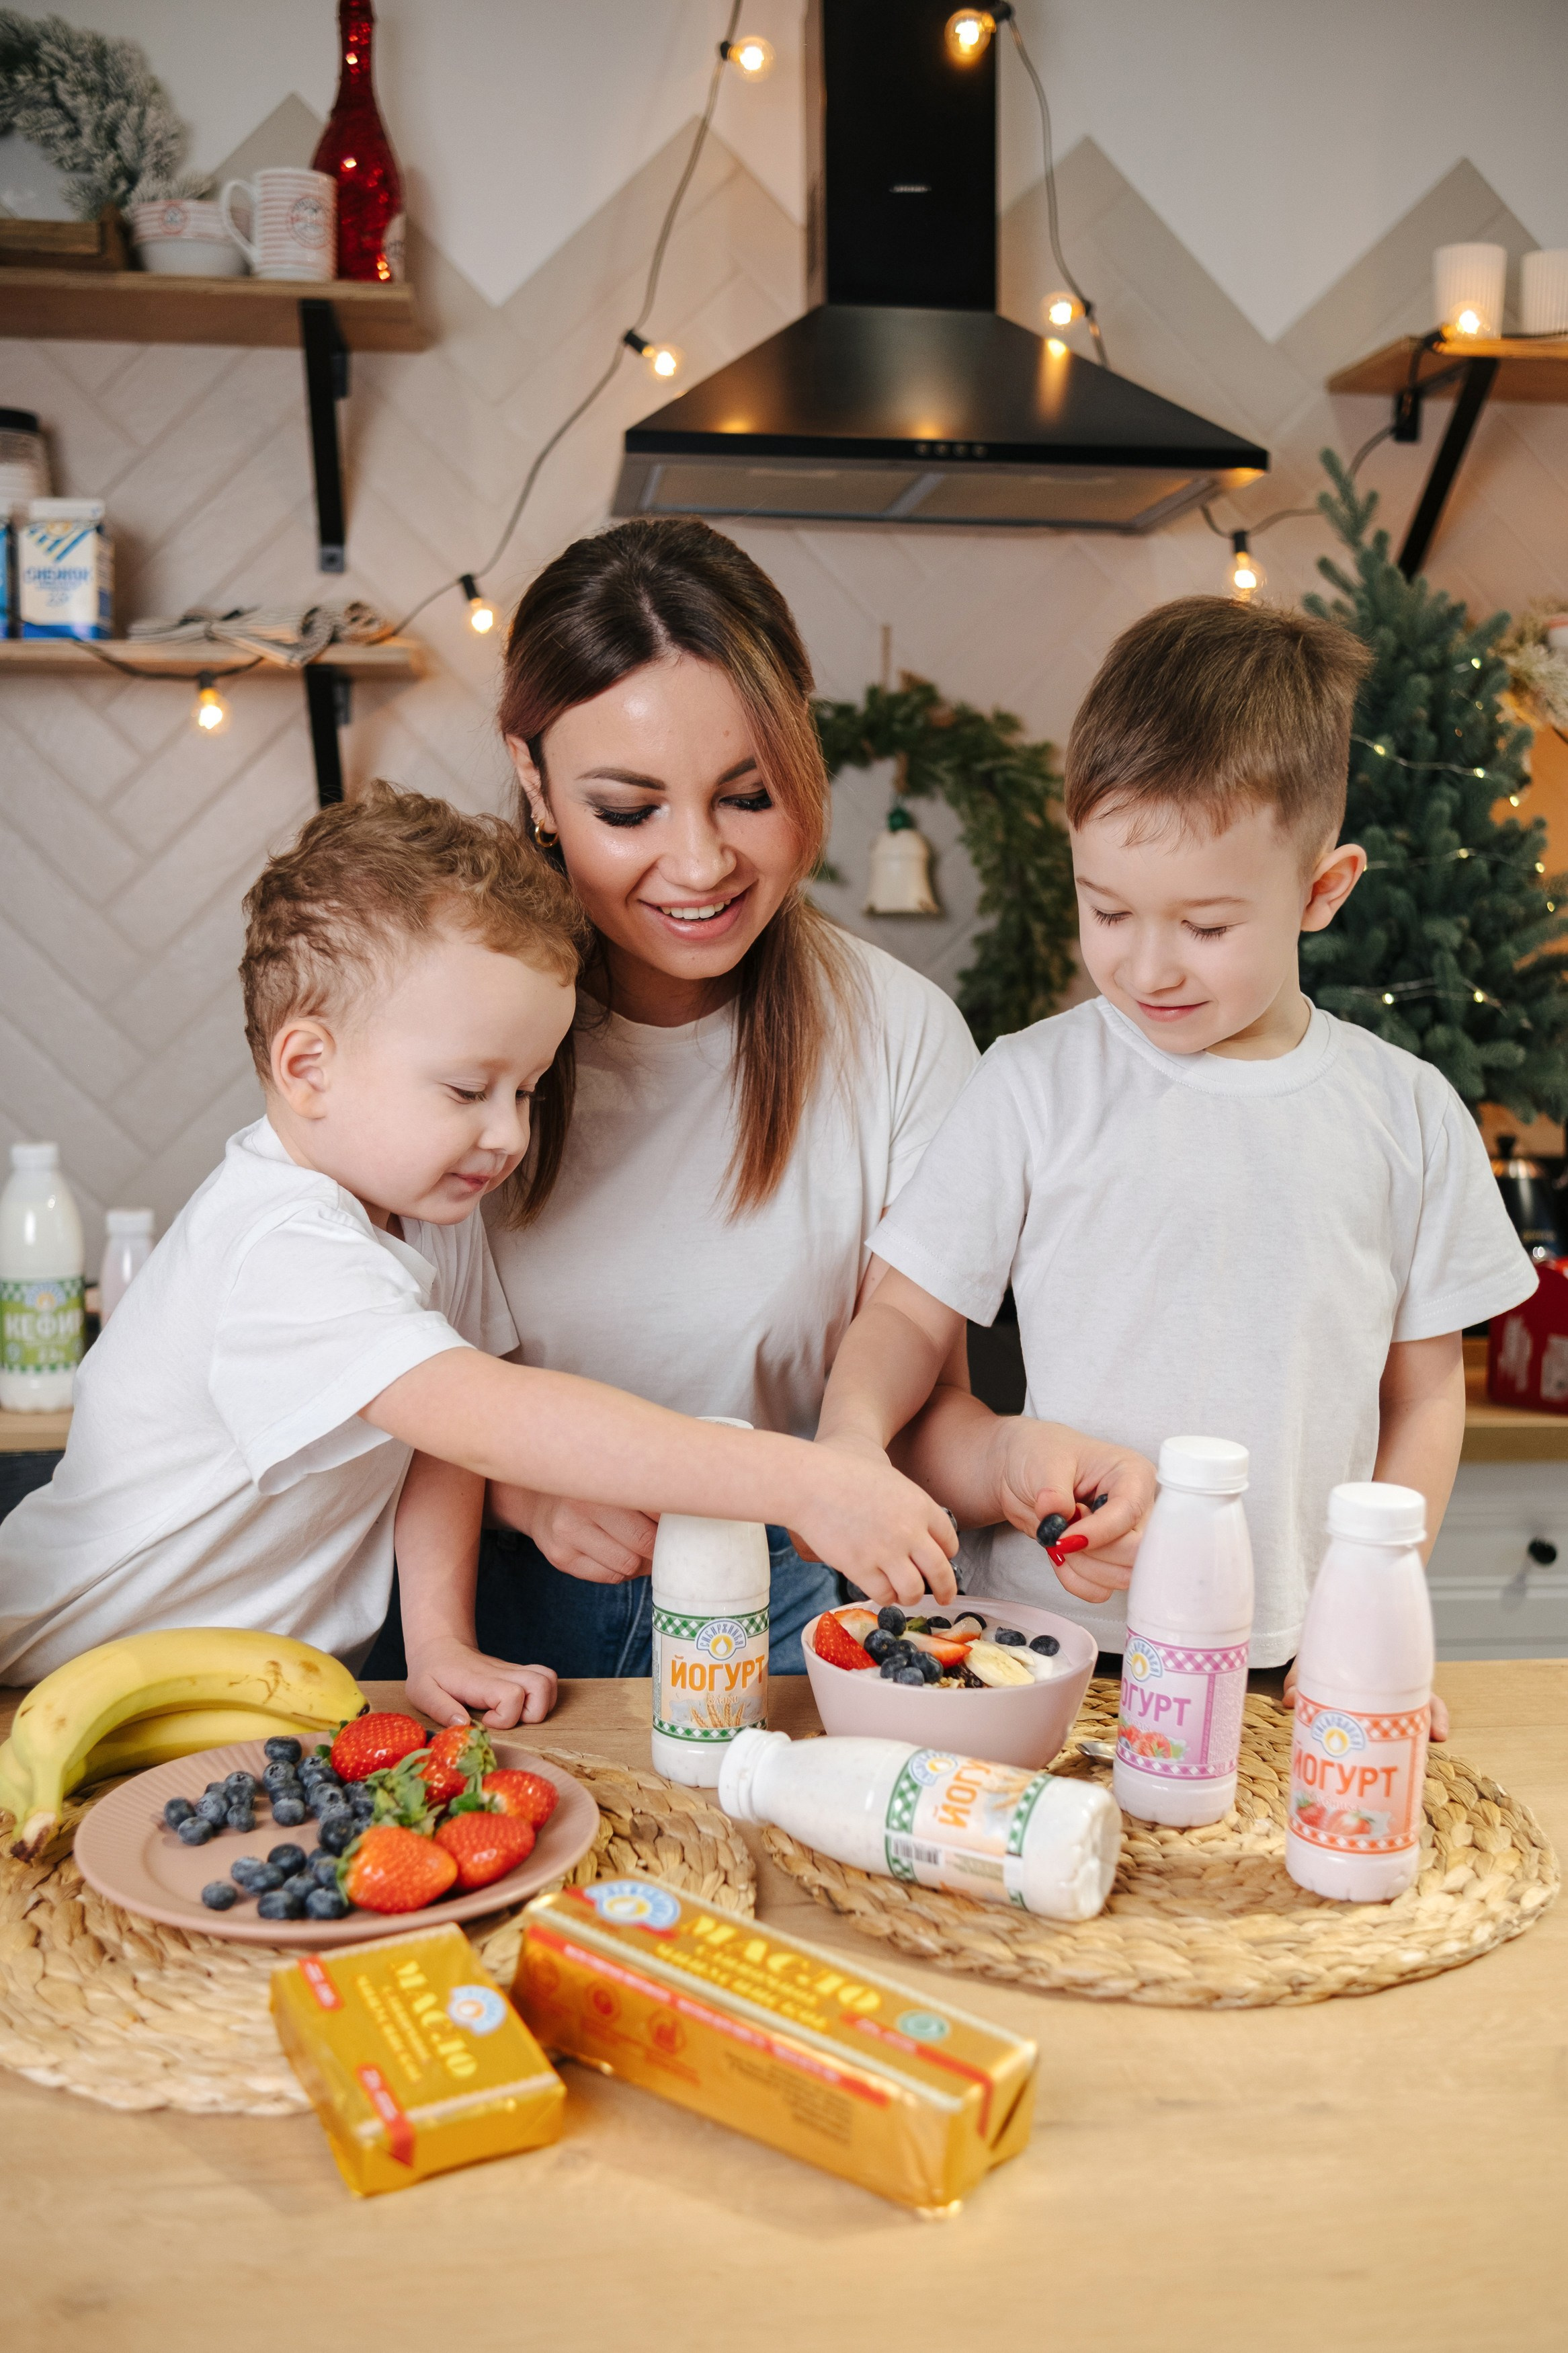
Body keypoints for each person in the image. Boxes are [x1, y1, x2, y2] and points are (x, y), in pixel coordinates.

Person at [0, 784, 964, 1726]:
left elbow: (442, 1448)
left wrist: (439, 1641)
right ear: (307, 1067)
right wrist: (802, 1480)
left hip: (226, 1703)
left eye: (529, 1091)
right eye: (469, 1092)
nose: (508, 1136)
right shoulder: (279, 1245)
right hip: (46, 1678)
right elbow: (491, 1419)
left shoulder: (429, 1221)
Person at [395, 517, 1151, 1681]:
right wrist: (519, 1496)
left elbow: (910, 1418)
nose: (698, 866)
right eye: (628, 811)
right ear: (533, 779)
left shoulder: (899, 1037)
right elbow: (357, 1375)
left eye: (747, 796)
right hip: (494, 1637)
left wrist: (1012, 1460)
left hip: (790, 1625)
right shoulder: (444, 1037)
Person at [818, 594, 1536, 1730]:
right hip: (1043, 1647)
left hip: (1282, 1661)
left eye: (1204, 927)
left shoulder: (1405, 1112)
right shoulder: (1030, 1082)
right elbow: (904, 1319)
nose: (1146, 967)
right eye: (1106, 910)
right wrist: (848, 1447)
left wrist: (1366, 1617)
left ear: (1321, 889)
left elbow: (1425, 1395)